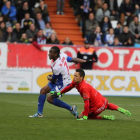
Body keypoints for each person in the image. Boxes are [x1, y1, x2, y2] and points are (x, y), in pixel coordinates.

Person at [29, 46, 94, 117]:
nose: (49, 54)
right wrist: (86, 61)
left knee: (50, 98)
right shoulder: (62, 55)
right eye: (49, 52)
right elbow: (73, 59)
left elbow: (53, 79)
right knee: (43, 90)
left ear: (56, 54)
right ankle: (39, 113)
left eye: (51, 53)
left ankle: (71, 109)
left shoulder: (57, 66)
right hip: (58, 80)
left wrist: (49, 77)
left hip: (63, 83)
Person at [51, 69, 131, 120]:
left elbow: (87, 103)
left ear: (81, 78)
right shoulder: (75, 82)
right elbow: (69, 87)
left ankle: (104, 117)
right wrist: (59, 93)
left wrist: (85, 116)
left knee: (81, 116)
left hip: (96, 107)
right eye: (74, 75)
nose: (74, 77)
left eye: (76, 76)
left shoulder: (83, 88)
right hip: (102, 100)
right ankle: (118, 108)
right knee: (107, 105)